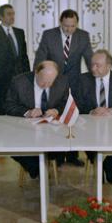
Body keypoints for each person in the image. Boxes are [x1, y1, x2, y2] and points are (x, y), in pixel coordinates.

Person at [34, 9, 93, 166]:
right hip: (55, 83)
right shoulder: (49, 35)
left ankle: (73, 156)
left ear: (76, 24)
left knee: (72, 118)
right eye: (66, 26)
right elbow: (40, 58)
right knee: (57, 118)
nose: (69, 29)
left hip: (75, 83)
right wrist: (38, 76)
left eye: (72, 26)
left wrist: (96, 77)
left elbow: (89, 59)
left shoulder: (83, 36)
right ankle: (58, 156)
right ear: (61, 22)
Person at [5, 61, 68, 178]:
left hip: (51, 131)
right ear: (36, 73)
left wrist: (56, 110)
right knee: (12, 146)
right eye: (43, 81)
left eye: (50, 82)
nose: (46, 85)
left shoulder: (62, 82)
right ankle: (36, 169)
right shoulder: (19, 82)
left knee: (63, 145)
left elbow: (65, 102)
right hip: (25, 130)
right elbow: (9, 105)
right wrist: (27, 112)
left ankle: (43, 167)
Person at [78, 49, 112, 184]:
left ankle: (109, 166)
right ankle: (97, 164)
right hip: (90, 126)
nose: (93, 68)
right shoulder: (83, 79)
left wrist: (111, 111)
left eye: (98, 65)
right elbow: (77, 106)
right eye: (92, 64)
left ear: (109, 66)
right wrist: (92, 111)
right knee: (87, 140)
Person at [0, 4, 30, 115]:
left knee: (20, 106)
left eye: (13, 14)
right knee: (1, 109)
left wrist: (28, 75)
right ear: (1, 17)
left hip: (20, 77)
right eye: (9, 14)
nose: (12, 16)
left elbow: (24, 56)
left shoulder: (20, 33)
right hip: (1, 79)